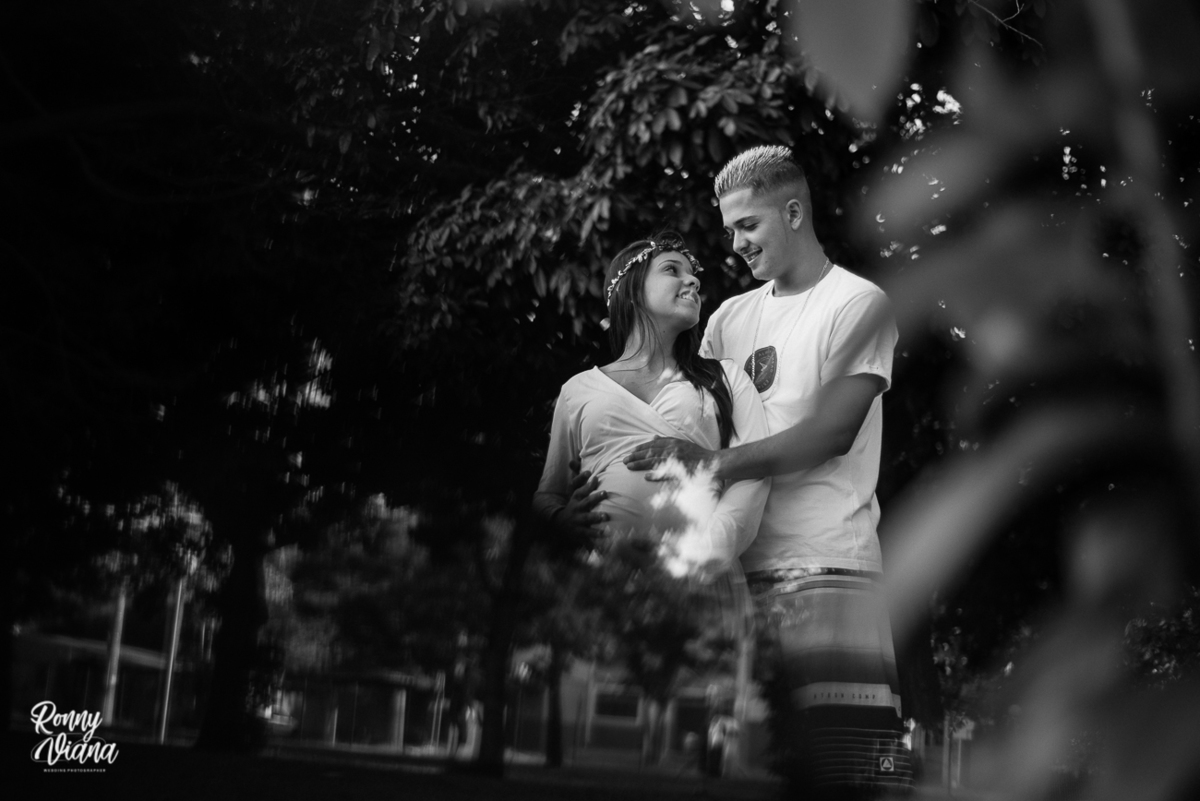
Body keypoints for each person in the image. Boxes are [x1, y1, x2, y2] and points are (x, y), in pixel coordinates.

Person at [624, 147, 911, 799]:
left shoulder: (858, 304)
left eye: (746, 225)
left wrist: (717, 462)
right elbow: (705, 428)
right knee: (780, 771)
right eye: (728, 230)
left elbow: (832, 432)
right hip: (748, 577)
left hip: (831, 570)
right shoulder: (728, 319)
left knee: (855, 775)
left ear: (792, 210)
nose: (735, 244)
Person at [533, 230, 770, 609]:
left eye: (693, 274)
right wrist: (561, 519)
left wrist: (700, 556)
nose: (692, 279)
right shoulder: (578, 390)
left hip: (697, 589)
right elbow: (548, 493)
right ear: (631, 291)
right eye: (672, 270)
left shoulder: (725, 379)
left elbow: (754, 475)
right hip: (600, 589)